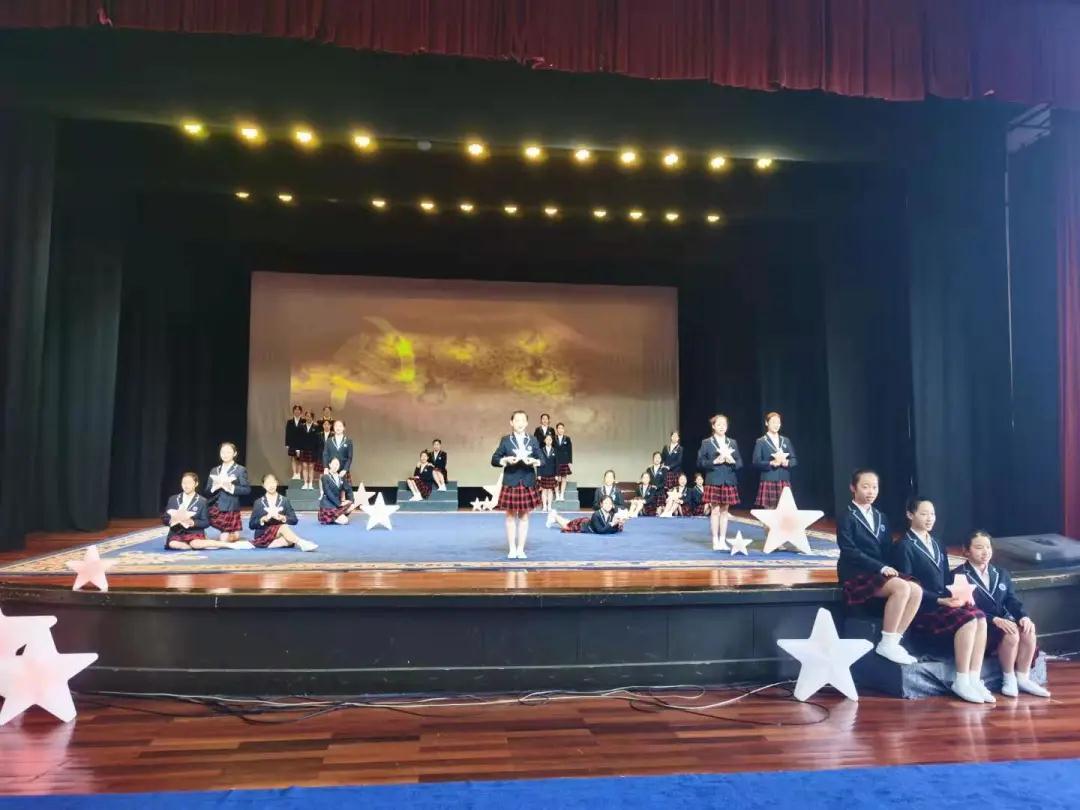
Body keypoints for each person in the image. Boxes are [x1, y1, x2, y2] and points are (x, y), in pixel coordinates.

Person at [891, 496, 992, 704]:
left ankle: (974, 678)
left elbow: (946, 579)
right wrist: (939, 601)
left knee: (980, 617)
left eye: (932, 514)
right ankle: (961, 680)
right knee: (968, 620)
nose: (929, 518)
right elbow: (909, 585)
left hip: (943, 603)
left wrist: (956, 596)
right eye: (924, 514)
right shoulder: (904, 545)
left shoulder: (937, 543)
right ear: (910, 515)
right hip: (923, 608)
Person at [835, 469, 921, 665]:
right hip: (856, 574)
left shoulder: (881, 517)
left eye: (874, 487)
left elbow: (888, 548)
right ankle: (886, 642)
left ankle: (894, 641)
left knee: (916, 590)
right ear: (853, 488)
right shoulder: (846, 516)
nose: (871, 491)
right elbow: (849, 551)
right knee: (901, 587)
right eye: (865, 487)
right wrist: (881, 567)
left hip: (878, 572)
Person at [955, 531, 1050, 698]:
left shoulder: (1001, 573)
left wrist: (1023, 617)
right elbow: (965, 607)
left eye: (988, 547)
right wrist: (994, 619)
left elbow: (1011, 600)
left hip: (1003, 621)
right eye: (979, 547)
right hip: (980, 625)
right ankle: (1009, 677)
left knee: (1028, 630)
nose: (985, 552)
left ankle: (1023, 677)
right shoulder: (959, 575)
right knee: (1011, 634)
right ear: (967, 551)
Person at [491, 410, 543, 559]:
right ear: (511, 423)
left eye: (522, 420)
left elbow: (542, 459)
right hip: (511, 481)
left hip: (527, 481)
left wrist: (534, 461)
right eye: (517, 420)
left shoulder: (532, 440)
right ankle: (512, 549)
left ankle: (521, 549)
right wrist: (505, 460)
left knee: (524, 516)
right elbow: (494, 459)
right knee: (510, 516)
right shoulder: (506, 440)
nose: (520, 423)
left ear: (526, 423)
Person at [696, 414, 742, 550]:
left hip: (728, 480)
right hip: (714, 479)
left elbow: (739, 462)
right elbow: (700, 462)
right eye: (719, 424)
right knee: (715, 510)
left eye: (724, 424)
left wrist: (732, 461)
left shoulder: (732, 442)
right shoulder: (707, 442)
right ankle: (715, 541)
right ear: (713, 426)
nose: (722, 427)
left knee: (725, 511)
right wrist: (715, 461)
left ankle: (723, 540)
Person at [249, 474, 318, 551]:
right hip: (263, 533)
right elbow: (251, 525)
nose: (271, 485)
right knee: (283, 528)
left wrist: (283, 518)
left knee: (290, 540)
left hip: (279, 534)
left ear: (277, 483)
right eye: (268, 483)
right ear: (263, 485)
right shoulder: (258, 502)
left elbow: (294, 520)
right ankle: (302, 543)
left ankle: (262, 545)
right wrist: (262, 519)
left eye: (273, 482)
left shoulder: (284, 500)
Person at [206, 442, 252, 546]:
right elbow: (207, 490)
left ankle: (234, 535)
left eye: (228, 452)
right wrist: (215, 487)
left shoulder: (240, 470)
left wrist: (231, 488)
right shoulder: (215, 470)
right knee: (201, 517)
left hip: (230, 507)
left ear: (234, 454)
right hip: (214, 505)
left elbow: (247, 490)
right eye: (223, 452)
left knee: (226, 538)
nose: (225, 454)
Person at [751, 411, 797, 508]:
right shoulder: (761, 441)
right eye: (773, 422)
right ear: (766, 423)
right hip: (769, 479)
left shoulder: (785, 440)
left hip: (784, 479)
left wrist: (787, 462)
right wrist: (771, 463)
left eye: (778, 422)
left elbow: (794, 459)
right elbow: (756, 462)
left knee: (785, 508)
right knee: (769, 510)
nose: (776, 425)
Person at [162, 472, 217, 550]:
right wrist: (171, 520)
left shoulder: (202, 501)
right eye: (184, 483)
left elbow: (206, 522)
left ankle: (226, 544)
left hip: (194, 532)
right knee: (173, 544)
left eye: (189, 483)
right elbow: (165, 518)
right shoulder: (173, 499)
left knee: (195, 543)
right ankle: (196, 546)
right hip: (177, 533)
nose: (186, 485)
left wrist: (192, 522)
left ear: (196, 484)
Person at [548, 495, 626, 535]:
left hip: (590, 522)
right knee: (566, 526)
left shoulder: (612, 513)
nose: (608, 505)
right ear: (601, 504)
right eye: (606, 503)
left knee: (568, 522)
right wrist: (613, 523)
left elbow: (611, 529)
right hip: (582, 526)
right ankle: (554, 516)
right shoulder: (596, 514)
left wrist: (618, 523)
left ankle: (555, 517)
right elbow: (600, 531)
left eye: (610, 503)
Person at [318, 457, 359, 525]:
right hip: (328, 505)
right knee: (345, 521)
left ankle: (336, 517)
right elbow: (328, 493)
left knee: (352, 506)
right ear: (330, 465)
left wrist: (351, 500)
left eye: (337, 464)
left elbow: (348, 489)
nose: (335, 466)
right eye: (334, 464)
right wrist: (339, 504)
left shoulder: (341, 477)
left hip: (337, 504)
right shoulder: (325, 477)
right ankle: (332, 518)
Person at [537, 432, 559, 512]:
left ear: (552, 441)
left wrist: (557, 474)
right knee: (543, 490)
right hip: (543, 473)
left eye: (550, 440)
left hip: (552, 473)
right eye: (547, 439)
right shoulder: (541, 450)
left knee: (550, 490)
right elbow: (539, 463)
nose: (549, 441)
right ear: (544, 441)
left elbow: (557, 463)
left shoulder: (555, 450)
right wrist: (539, 474)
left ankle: (549, 506)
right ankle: (544, 506)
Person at [298, 410, 319, 490]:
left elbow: (317, 440)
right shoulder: (301, 426)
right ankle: (305, 483)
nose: (308, 418)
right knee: (304, 466)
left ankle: (310, 484)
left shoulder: (316, 427)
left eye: (310, 416)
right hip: (303, 449)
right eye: (307, 416)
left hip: (313, 450)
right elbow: (298, 439)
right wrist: (298, 449)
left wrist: (317, 451)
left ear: (312, 417)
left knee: (311, 467)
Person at [554, 422, 573, 501]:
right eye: (559, 428)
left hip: (565, 461)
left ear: (564, 429)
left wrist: (570, 462)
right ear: (557, 429)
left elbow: (570, 450)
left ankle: (562, 494)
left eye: (562, 428)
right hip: (556, 461)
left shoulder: (567, 438)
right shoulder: (553, 438)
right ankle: (557, 495)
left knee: (564, 478)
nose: (560, 430)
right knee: (556, 479)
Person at [285, 404, 304, 481]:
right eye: (295, 410)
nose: (297, 411)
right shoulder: (289, 422)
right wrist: (287, 444)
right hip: (292, 443)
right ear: (293, 411)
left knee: (300, 459)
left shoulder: (303, 421)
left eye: (298, 410)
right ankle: (294, 474)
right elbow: (287, 433)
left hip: (301, 443)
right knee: (293, 458)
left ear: (301, 412)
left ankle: (298, 474)